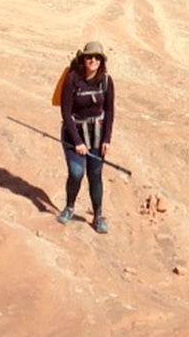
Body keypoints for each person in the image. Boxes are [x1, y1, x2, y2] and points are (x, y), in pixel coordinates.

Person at [52, 40, 116, 233]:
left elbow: (110, 111)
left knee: (95, 175)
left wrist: (107, 139)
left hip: (97, 135)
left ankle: (98, 216)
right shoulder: (72, 79)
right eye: (89, 57)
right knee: (76, 173)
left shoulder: (106, 81)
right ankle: (69, 207)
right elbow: (66, 113)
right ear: (83, 59)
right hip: (74, 135)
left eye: (97, 58)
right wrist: (78, 142)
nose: (93, 61)